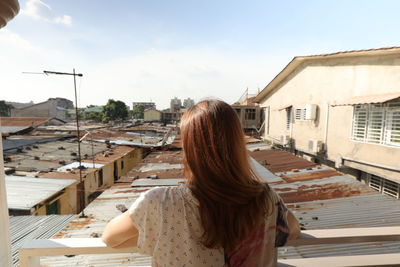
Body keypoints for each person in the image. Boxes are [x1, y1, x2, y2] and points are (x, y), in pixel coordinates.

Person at [102, 99, 300, 267]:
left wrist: (163, 236)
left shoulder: (160, 201)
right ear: (238, 144)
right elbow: (292, 230)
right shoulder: (265, 198)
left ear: (189, 148)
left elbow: (110, 238)